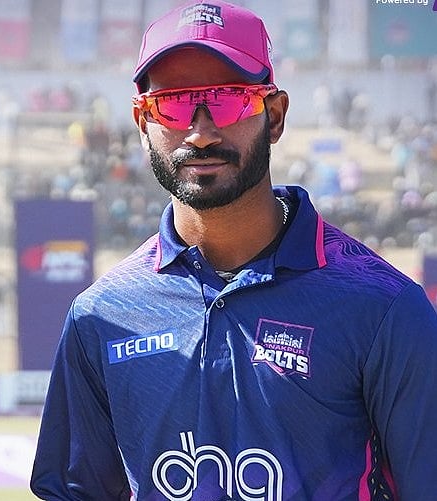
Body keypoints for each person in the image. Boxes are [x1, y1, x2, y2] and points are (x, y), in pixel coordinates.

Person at [30, 2, 437, 500]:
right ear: (142, 123)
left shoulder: (385, 308)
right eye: (175, 104)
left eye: (228, 100)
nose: (201, 133)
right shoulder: (100, 316)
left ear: (275, 115)